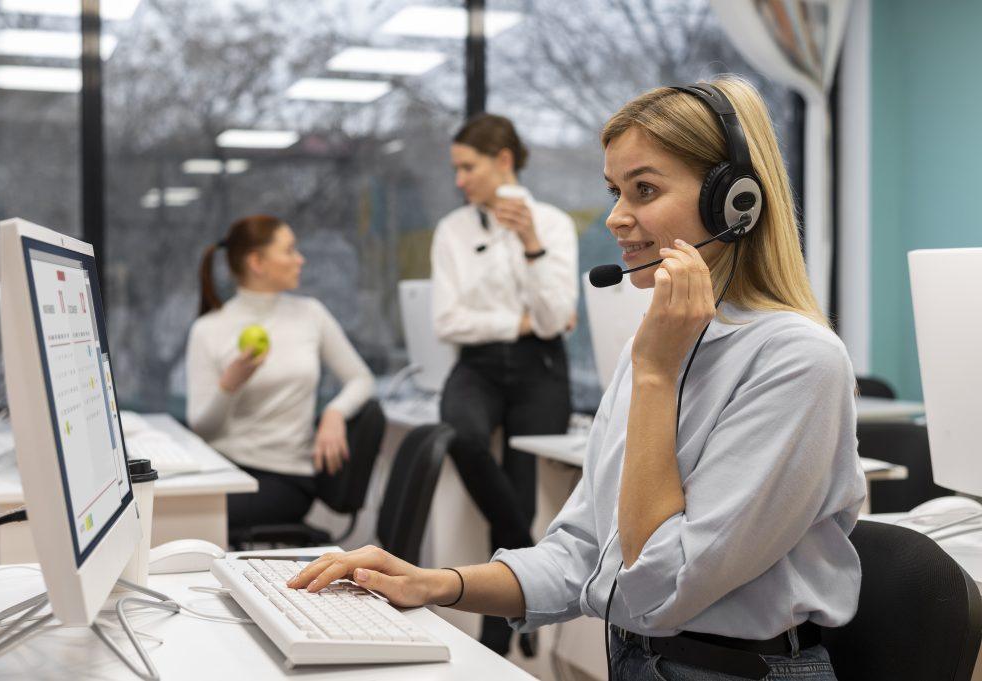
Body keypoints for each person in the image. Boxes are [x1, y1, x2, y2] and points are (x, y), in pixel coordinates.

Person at [286, 77, 866, 681]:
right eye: (614, 190)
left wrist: (655, 378)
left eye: (644, 189)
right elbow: (580, 556)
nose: (616, 218)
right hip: (644, 660)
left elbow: (657, 590)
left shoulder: (796, 362)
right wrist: (434, 583)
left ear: (734, 202)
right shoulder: (659, 349)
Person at [430, 113, 579, 655]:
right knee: (461, 434)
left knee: (519, 483)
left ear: (504, 161)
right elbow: (447, 321)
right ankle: (525, 563)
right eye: (456, 168)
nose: (459, 180)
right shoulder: (453, 230)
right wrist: (511, 322)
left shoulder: (554, 224)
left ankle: (496, 635)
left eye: (467, 167)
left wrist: (531, 242)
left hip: (540, 368)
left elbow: (555, 316)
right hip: (477, 366)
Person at [186, 214, 374, 538]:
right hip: (223, 469)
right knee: (167, 512)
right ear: (257, 262)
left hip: (285, 477)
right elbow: (202, 427)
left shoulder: (311, 314)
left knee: (189, 523)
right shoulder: (208, 329)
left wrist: (334, 413)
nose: (300, 259)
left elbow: (361, 379)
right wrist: (229, 385)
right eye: (289, 251)